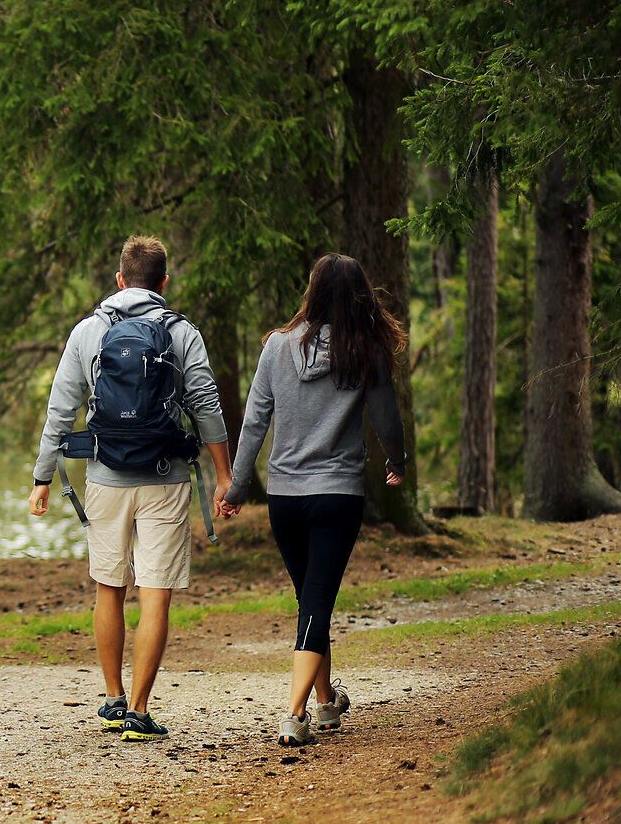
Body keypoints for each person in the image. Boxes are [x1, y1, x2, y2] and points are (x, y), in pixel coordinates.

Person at [30, 235, 233, 741]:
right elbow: (206, 405)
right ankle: (141, 713)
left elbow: (61, 408)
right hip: (165, 477)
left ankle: (114, 696)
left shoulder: (88, 331)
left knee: (109, 587)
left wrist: (41, 477)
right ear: (164, 282)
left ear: (119, 280)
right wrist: (225, 476)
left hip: (105, 475)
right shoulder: (181, 332)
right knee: (155, 593)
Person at [216, 253, 408, 747]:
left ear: (313, 293)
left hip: (284, 498)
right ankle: (294, 712)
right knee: (317, 601)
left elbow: (256, 420)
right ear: (359, 298)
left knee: (310, 599)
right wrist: (397, 461)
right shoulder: (366, 351)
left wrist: (238, 487)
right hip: (337, 496)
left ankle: (326, 703)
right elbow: (387, 418)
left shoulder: (276, 348)